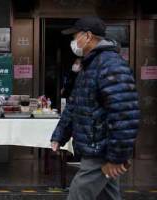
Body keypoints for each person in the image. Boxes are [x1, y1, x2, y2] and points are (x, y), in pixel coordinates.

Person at [50, 16, 140, 200]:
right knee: (107, 195)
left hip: (101, 148)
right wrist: (61, 134)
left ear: (88, 36)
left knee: (78, 194)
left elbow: (125, 116)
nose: (73, 42)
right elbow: (76, 103)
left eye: (75, 37)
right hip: (96, 146)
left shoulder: (111, 65)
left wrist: (116, 157)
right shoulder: (90, 64)